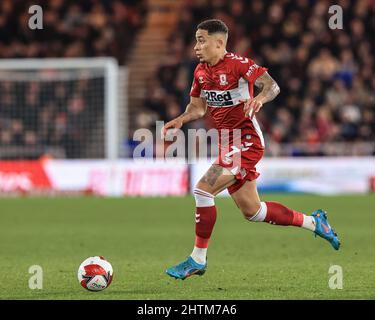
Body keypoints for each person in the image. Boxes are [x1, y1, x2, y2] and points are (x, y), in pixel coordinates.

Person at [162, 19, 340, 280]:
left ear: (219, 42)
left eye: (201, 40)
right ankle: (315, 222)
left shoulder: (239, 64)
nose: (196, 46)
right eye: (196, 40)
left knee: (203, 189)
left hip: (246, 141)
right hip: (228, 143)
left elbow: (272, 86)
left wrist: (259, 98)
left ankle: (197, 259)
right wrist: (181, 119)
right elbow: (198, 108)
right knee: (253, 212)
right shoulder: (200, 71)